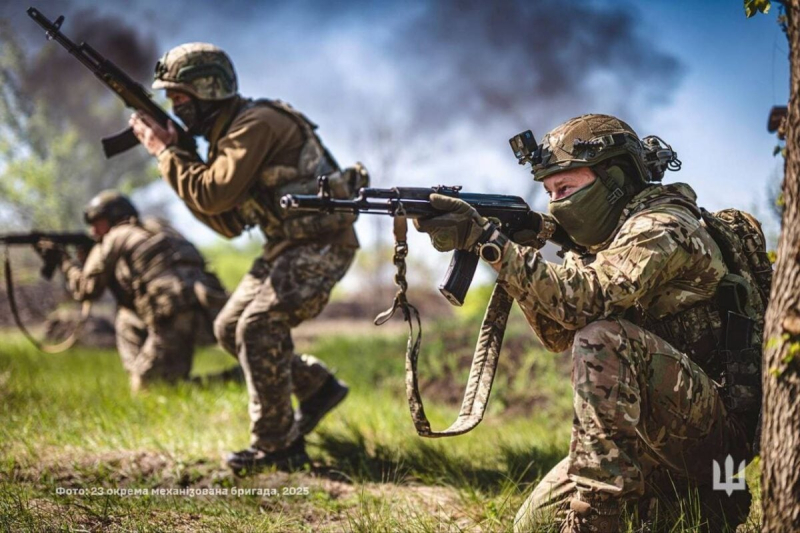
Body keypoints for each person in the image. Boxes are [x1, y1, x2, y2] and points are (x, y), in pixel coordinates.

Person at [413, 114, 764, 531]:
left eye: (566, 188)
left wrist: (490, 243)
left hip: (719, 439)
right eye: (548, 192)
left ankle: (598, 519)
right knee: (532, 526)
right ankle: (697, 506)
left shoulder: (664, 226)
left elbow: (587, 304)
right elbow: (558, 333)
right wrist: (514, 252)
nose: (556, 203)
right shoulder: (601, 244)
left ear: (614, 179)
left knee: (604, 338)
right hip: (657, 433)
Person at [128, 43, 360, 473]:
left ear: (207, 90)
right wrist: (179, 155)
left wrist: (165, 153)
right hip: (286, 245)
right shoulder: (229, 134)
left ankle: (278, 448)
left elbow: (211, 193)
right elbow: (227, 221)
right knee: (229, 326)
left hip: (323, 243)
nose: (176, 107)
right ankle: (316, 387)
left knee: (257, 325)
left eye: (180, 97)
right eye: (171, 100)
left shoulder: (255, 124)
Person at [42, 190, 228, 391]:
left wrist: (64, 262)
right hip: (207, 314)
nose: (93, 231)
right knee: (126, 318)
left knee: (148, 387)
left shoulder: (115, 235)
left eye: (97, 223)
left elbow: (86, 290)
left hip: (172, 317)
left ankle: (231, 379)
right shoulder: (159, 227)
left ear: (113, 217)